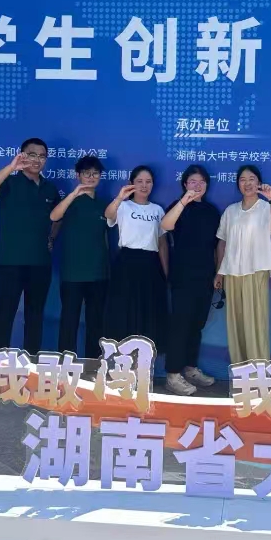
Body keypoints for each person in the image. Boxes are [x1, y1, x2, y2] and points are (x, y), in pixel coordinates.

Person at [0, 138, 59, 354]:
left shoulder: (50, 188)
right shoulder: (10, 182)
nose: (37, 160)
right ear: (22, 155)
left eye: (42, 156)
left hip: (40, 262)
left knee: (35, 315)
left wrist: (51, 237)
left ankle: (31, 361)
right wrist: (11, 167)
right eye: (32, 155)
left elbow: (58, 217)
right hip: (11, 261)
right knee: (5, 312)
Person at [160, 165, 221, 395]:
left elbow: (217, 245)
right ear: (185, 184)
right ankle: (172, 374)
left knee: (197, 325)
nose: (197, 185)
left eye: (201, 181)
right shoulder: (177, 207)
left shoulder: (212, 211)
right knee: (180, 325)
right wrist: (183, 202)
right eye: (193, 181)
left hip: (205, 276)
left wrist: (218, 273)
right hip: (182, 276)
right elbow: (165, 226)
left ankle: (190, 368)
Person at [216, 165, 271, 364]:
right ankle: (240, 368)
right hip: (232, 272)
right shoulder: (231, 211)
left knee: (256, 321)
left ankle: (260, 368)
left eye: (252, 179)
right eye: (243, 179)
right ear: (238, 184)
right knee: (235, 322)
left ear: (259, 183)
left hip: (256, 270)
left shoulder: (266, 207)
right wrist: (219, 272)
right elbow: (222, 241)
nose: (247, 183)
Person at [50, 155, 109, 358]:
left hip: (98, 273)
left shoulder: (103, 204)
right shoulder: (70, 201)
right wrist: (75, 193)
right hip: (72, 273)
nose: (91, 177)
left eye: (95, 173)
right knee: (69, 320)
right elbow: (54, 216)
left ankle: (93, 364)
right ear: (78, 175)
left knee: (96, 322)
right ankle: (65, 364)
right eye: (86, 173)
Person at [104, 166, 169, 347]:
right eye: (139, 181)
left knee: (148, 309)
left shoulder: (158, 210)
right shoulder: (123, 206)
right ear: (131, 183)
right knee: (124, 308)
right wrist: (120, 197)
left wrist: (165, 272)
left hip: (151, 263)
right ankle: (121, 354)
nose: (144, 185)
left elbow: (162, 244)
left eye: (148, 182)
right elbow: (108, 215)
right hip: (127, 262)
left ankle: (145, 355)